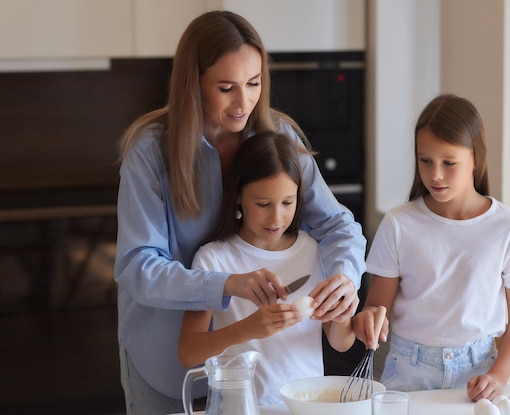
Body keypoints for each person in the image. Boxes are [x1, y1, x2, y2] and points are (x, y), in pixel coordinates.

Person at [114, 10, 366, 415]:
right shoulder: (149, 151)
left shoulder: (277, 138)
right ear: (193, 85)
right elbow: (137, 267)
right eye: (226, 87)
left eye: (254, 83)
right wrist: (227, 284)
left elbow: (338, 225)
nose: (244, 102)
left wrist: (344, 279)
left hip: (252, 381)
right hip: (162, 358)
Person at [352, 94, 510, 402]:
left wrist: (499, 375)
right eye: (425, 160)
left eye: (449, 163)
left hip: (479, 372)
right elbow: (377, 307)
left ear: (476, 159)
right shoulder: (398, 223)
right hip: (407, 373)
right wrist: (368, 319)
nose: (435, 174)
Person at [178, 132, 359, 405]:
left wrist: (342, 313)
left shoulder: (314, 251)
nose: (277, 217)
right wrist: (249, 328)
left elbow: (340, 343)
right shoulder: (213, 259)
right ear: (238, 196)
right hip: (241, 409)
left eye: (288, 202)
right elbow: (189, 351)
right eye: (263, 204)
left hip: (305, 407)